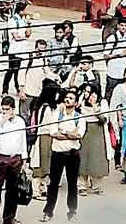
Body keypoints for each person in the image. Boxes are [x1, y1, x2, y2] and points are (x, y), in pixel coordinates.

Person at [41, 90, 85, 223]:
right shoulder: (56, 114)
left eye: (71, 98)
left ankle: (72, 212)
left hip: (73, 154)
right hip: (58, 154)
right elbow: (53, 133)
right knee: (53, 184)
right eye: (66, 97)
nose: (67, 100)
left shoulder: (80, 118)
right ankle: (48, 212)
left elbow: (79, 135)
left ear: (76, 103)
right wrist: (70, 134)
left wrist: (64, 132)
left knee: (72, 185)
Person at [0, 96, 28, 224]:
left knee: (13, 190)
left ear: (13, 109)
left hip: (15, 158)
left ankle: (9, 217)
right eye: (3, 109)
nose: (5, 112)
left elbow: (23, 140)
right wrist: (2, 123)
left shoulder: (20, 121)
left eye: (8, 109)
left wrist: (24, 158)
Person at [78, 85, 112, 196]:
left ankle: (96, 185)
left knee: (97, 158)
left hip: (98, 132)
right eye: (86, 92)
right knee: (83, 159)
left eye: (90, 92)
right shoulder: (81, 102)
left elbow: (104, 120)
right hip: (84, 132)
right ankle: (82, 185)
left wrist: (95, 109)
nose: (88, 94)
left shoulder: (102, 103)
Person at [19, 39, 54, 123]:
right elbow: (21, 73)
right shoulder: (29, 58)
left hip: (38, 92)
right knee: (24, 114)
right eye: (39, 50)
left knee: (34, 114)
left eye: (43, 50)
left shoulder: (44, 59)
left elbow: (47, 72)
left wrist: (55, 77)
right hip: (27, 91)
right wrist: (21, 89)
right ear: (35, 48)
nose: (40, 52)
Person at [3, 4, 32, 96]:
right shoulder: (13, 20)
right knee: (11, 70)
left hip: (22, 50)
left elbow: (28, 33)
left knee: (17, 71)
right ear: (20, 10)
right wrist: (25, 37)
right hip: (14, 50)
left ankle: (17, 88)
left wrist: (28, 24)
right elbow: (16, 37)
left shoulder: (23, 20)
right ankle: (5, 90)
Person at [104, 19, 126, 101]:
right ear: (118, 26)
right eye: (122, 25)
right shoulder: (112, 38)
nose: (124, 28)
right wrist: (119, 55)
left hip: (123, 73)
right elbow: (105, 56)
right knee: (109, 94)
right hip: (113, 73)